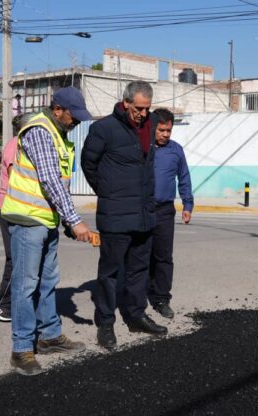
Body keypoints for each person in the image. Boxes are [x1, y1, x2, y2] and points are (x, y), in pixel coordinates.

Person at [0, 87, 93, 376]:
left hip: (46, 219)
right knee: (26, 285)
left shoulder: (59, 134)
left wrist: (64, 221)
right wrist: (74, 221)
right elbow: (50, 180)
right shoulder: (40, 131)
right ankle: (21, 350)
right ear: (57, 110)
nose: (76, 121)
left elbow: (60, 183)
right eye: (73, 116)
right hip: (28, 219)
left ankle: (50, 336)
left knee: (48, 281)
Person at [81, 80, 166, 352]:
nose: (143, 113)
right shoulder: (103, 129)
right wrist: (108, 191)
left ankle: (136, 315)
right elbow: (88, 164)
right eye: (138, 108)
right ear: (126, 102)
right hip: (115, 214)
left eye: (147, 108)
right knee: (110, 272)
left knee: (139, 269)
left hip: (144, 214)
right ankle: (106, 322)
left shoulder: (151, 124)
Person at [148, 108, 193, 319]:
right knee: (140, 256)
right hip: (142, 210)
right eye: (161, 130)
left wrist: (187, 205)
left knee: (163, 256)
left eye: (169, 130)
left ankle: (161, 299)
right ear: (152, 128)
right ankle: (137, 296)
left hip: (165, 211)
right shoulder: (142, 148)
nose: (166, 134)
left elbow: (184, 177)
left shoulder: (176, 150)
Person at [0, 116, 22, 322]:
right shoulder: (15, 145)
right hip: (9, 208)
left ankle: (16, 302)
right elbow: (15, 178)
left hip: (17, 208)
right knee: (14, 257)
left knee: (20, 257)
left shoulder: (22, 144)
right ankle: (2, 305)